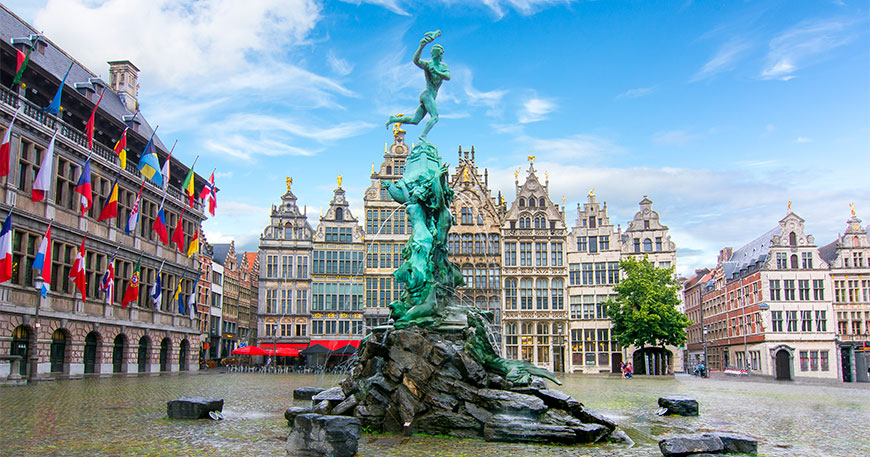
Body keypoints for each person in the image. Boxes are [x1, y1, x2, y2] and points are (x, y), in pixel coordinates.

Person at [386, 31, 450, 140]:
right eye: (439, 53)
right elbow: (415, 60)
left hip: (430, 96)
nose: (440, 55)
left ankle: (393, 119)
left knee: (415, 120)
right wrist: (421, 46)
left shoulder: (442, 67)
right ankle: (423, 136)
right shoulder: (428, 65)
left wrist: (436, 71)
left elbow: (447, 76)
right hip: (427, 95)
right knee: (435, 117)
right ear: (438, 54)